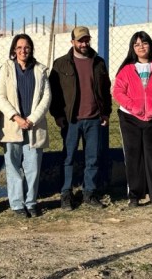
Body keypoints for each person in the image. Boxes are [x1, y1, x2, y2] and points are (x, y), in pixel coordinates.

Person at [49, 26, 113, 210]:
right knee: (68, 158)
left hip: (94, 119)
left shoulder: (98, 62)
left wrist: (106, 112)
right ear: (72, 42)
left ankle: (89, 193)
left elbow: (105, 90)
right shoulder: (61, 64)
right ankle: (66, 193)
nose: (84, 44)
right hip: (71, 120)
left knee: (92, 157)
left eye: (86, 40)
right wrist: (58, 115)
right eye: (80, 40)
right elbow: (55, 93)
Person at [113, 31, 152, 207]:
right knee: (134, 157)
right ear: (133, 48)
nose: (141, 47)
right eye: (137, 44)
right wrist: (133, 106)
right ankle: (134, 195)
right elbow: (118, 91)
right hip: (130, 118)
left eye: (144, 43)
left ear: (150, 45)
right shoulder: (126, 69)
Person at [0, 33, 52, 218]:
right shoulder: (6, 69)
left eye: (26, 47)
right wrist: (16, 117)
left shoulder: (40, 70)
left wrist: (32, 119)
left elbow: (46, 97)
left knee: (33, 166)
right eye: (19, 47)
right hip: (12, 126)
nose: (23, 50)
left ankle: (31, 202)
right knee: (12, 166)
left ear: (31, 49)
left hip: (34, 126)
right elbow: (0, 96)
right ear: (14, 50)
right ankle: (17, 204)